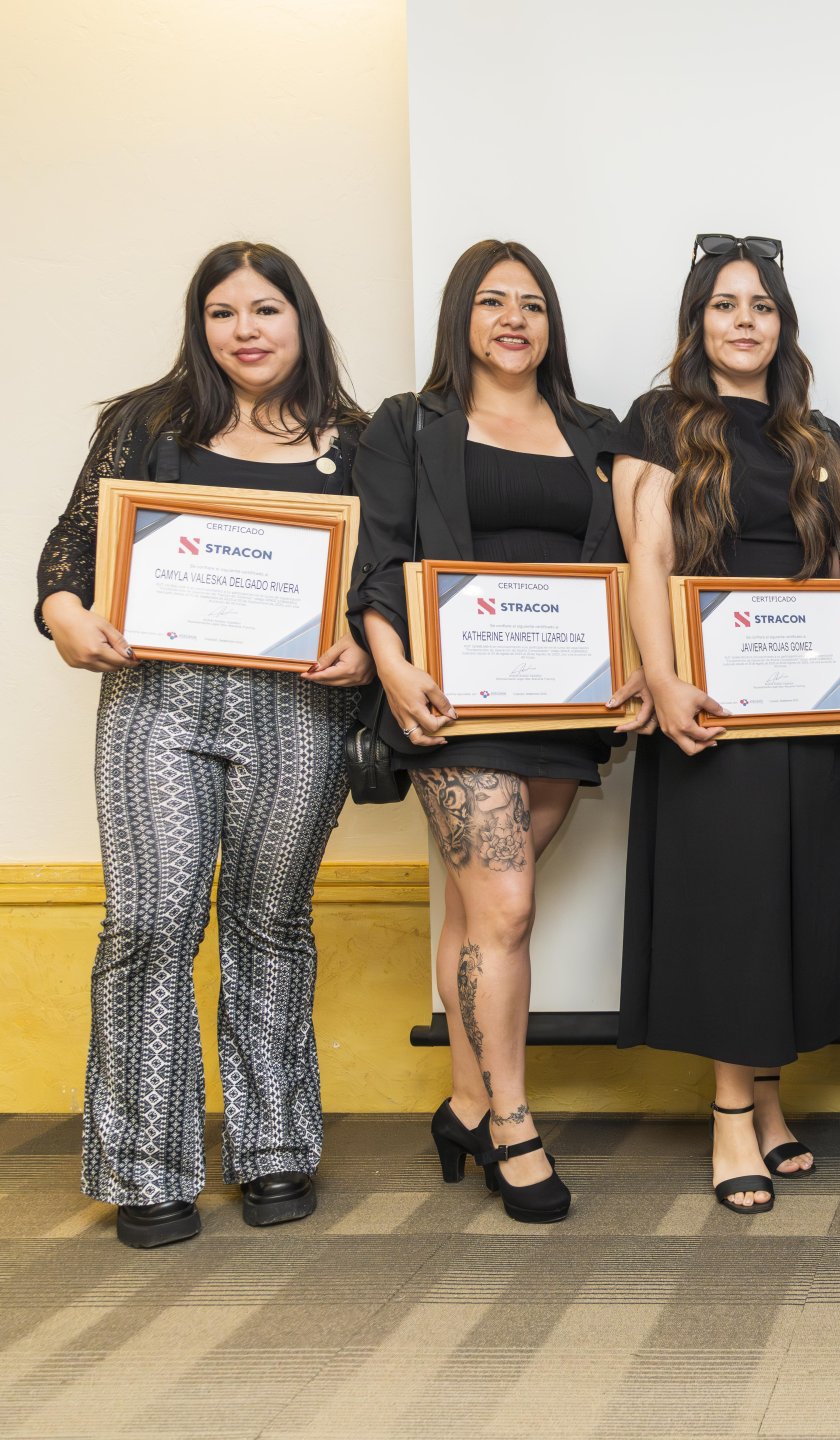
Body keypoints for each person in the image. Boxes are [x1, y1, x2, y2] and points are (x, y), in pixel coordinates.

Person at [34, 241, 375, 1247]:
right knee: (149, 923)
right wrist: (63, 615)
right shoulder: (145, 424)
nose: (246, 330)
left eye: (266, 310)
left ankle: (275, 1151)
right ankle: (146, 1170)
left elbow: (385, 580)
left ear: (301, 320)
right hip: (157, 699)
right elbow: (70, 550)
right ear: (201, 326)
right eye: (224, 313)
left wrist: (365, 645)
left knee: (270, 922)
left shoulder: (360, 442)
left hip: (300, 707)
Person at [350, 239, 647, 1225]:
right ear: (461, 317)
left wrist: (639, 665)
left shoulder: (597, 431)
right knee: (508, 906)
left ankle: (464, 1105)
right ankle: (512, 1123)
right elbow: (379, 558)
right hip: (453, 703)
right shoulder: (408, 424)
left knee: (479, 913)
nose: (513, 319)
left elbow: (634, 562)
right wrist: (393, 667)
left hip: (563, 706)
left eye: (531, 303)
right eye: (491, 301)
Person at [610, 234, 840, 1214]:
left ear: (784, 325)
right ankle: (731, 1115)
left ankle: (768, 1101)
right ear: (698, 322)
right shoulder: (659, 421)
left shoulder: (817, 436)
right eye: (725, 304)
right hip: (712, 705)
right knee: (733, 907)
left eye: (762, 306)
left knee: (788, 901)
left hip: (810, 708)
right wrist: (663, 680)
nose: (744, 321)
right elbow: (648, 560)